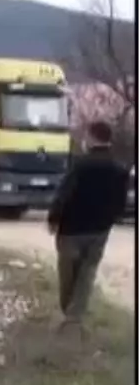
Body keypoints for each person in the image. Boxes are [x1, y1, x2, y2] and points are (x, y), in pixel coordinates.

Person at [47, 120, 130, 330]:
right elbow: (120, 203)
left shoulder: (80, 165)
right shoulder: (120, 168)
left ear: (92, 137)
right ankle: (76, 316)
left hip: (72, 229)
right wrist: (110, 219)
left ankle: (68, 312)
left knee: (68, 273)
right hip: (100, 229)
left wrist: (53, 217)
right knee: (87, 272)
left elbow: (64, 194)